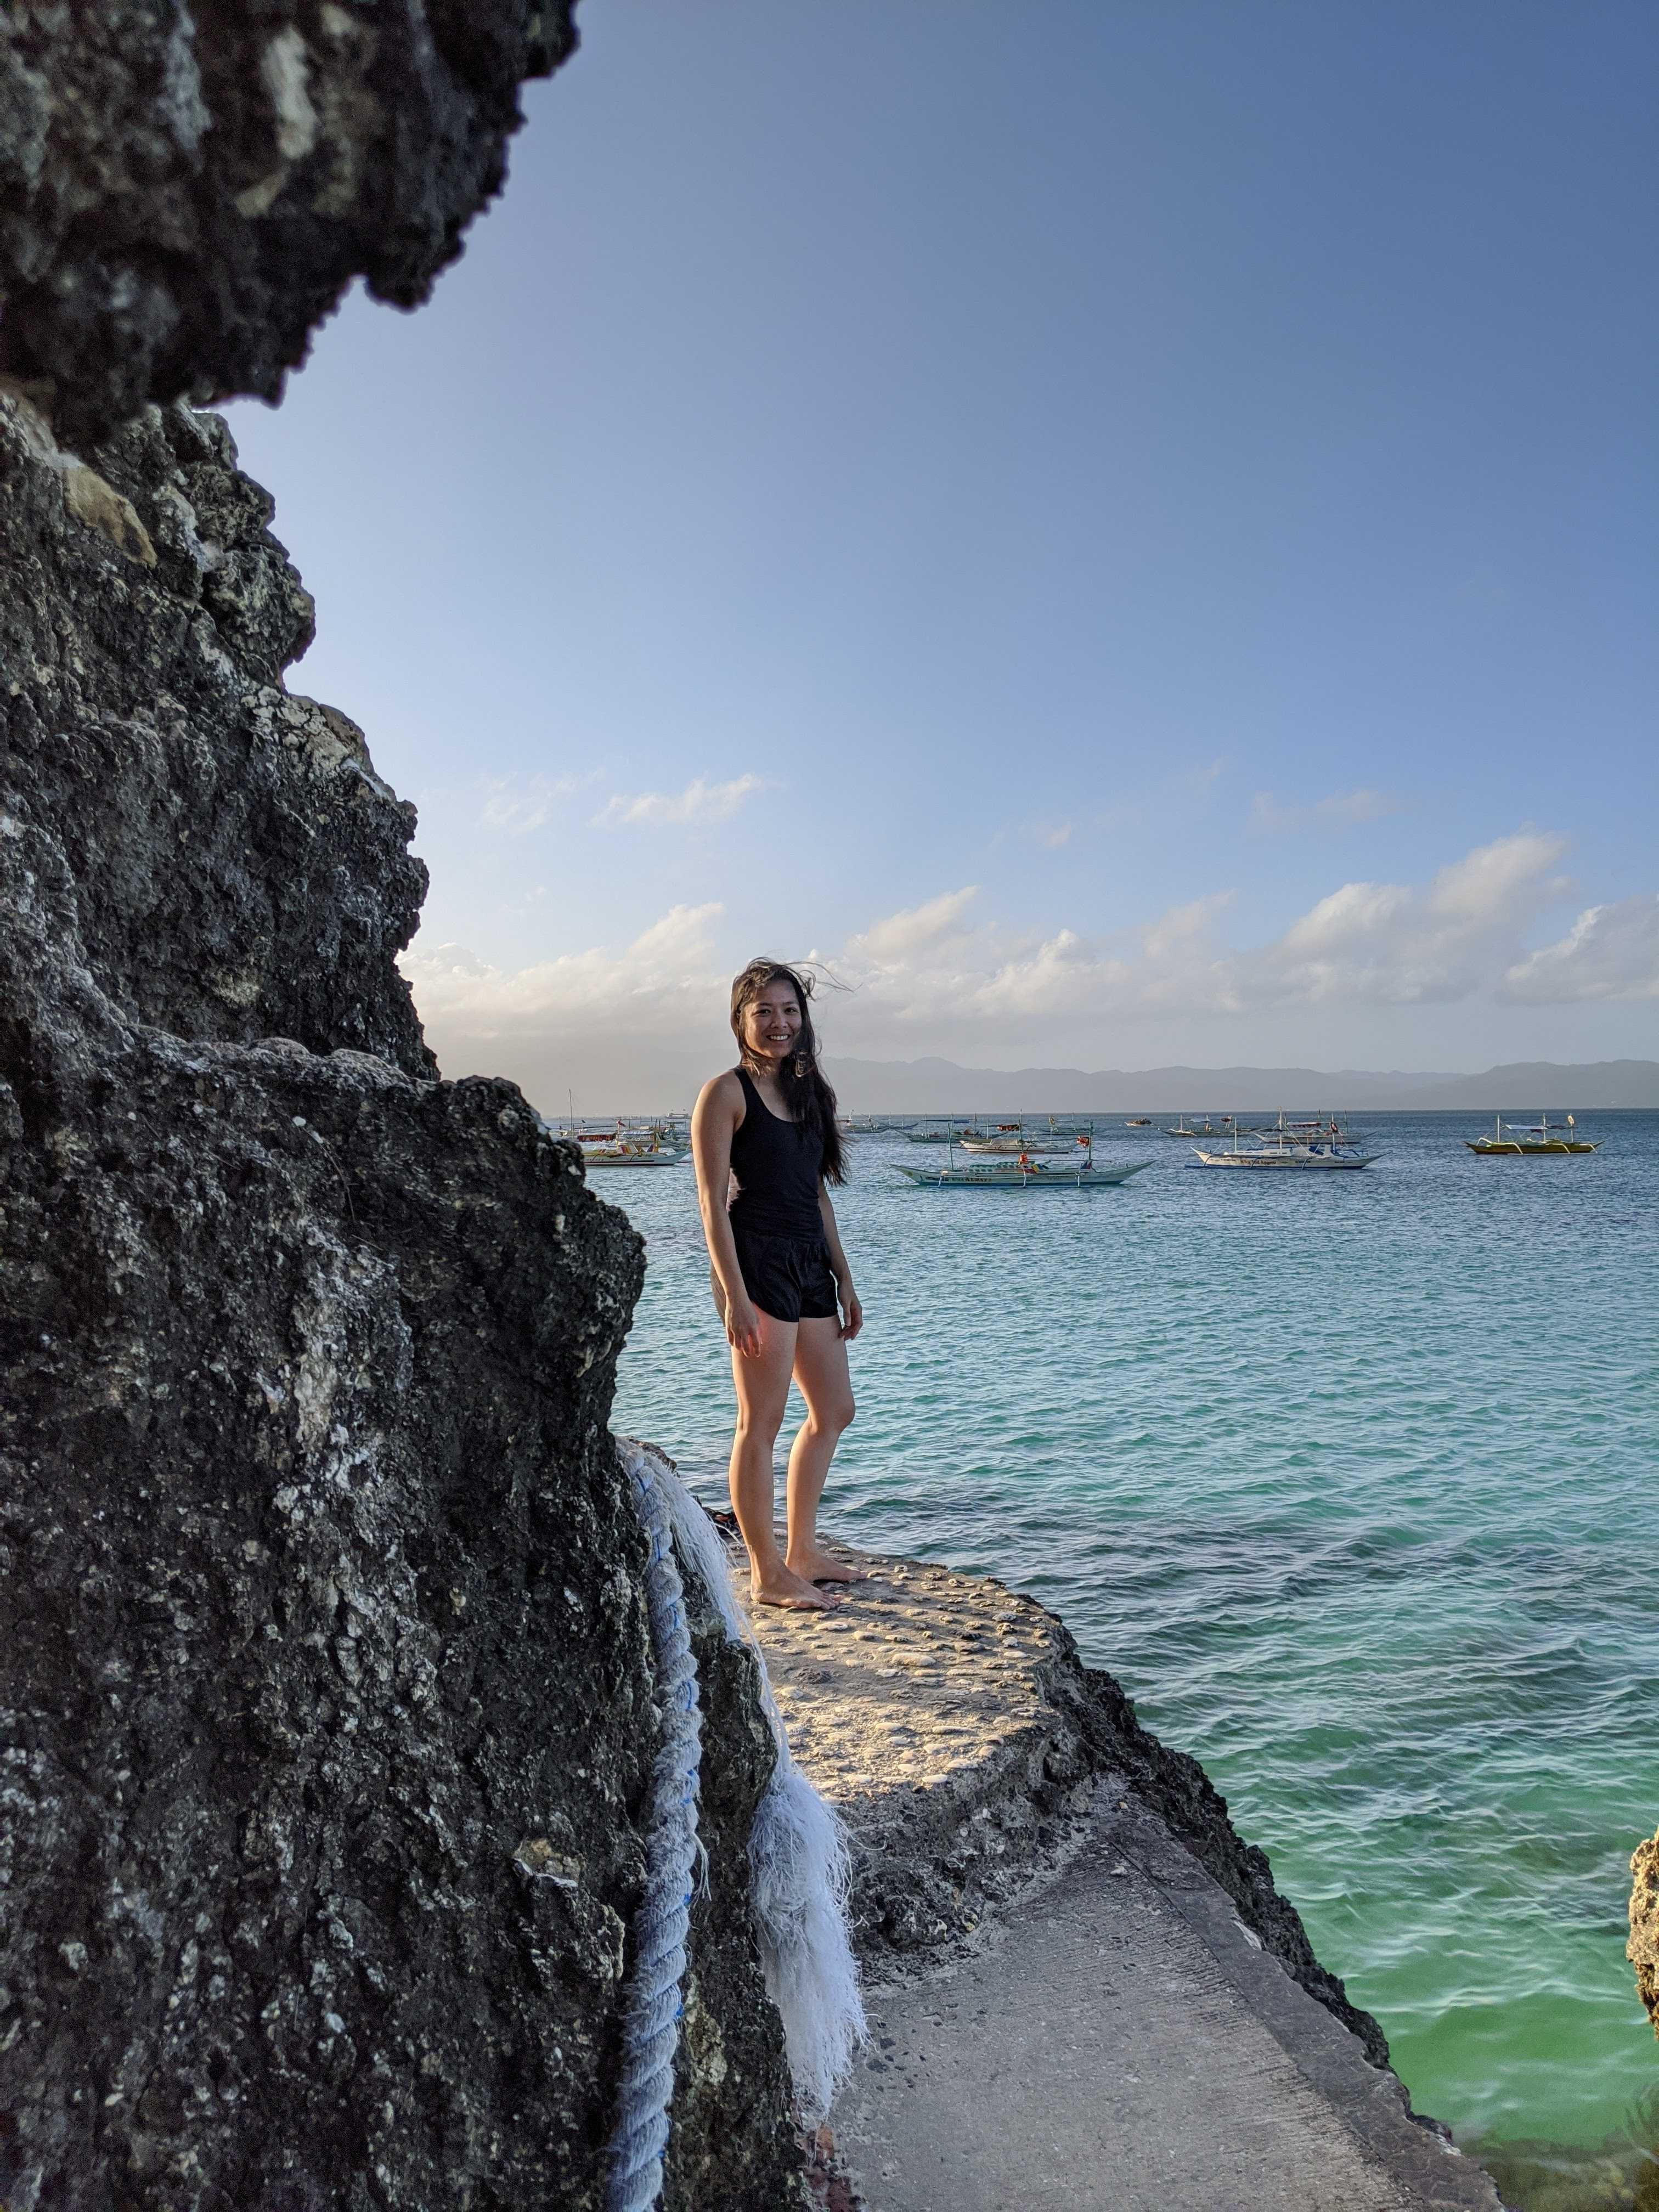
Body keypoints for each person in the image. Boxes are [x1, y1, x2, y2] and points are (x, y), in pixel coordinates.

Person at [692, 959, 864, 1610]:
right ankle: (767, 1573)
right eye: (763, 1011)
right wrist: (733, 1295)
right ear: (740, 1020)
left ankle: (803, 1551)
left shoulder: (809, 1092)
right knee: (760, 1422)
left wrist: (844, 1277)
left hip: (809, 1261)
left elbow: (817, 1194)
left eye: (789, 1010)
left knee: (835, 1409)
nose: (778, 1023)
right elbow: (711, 1204)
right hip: (756, 1261)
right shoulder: (725, 1093)